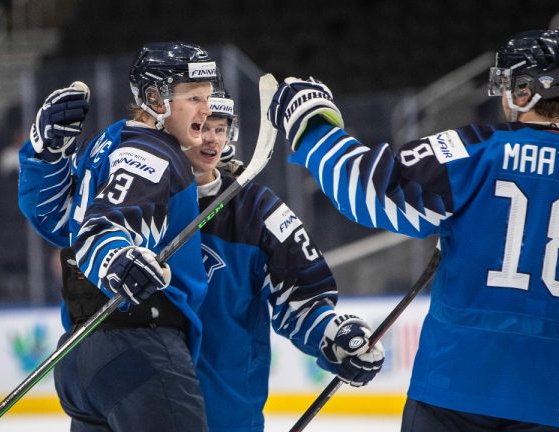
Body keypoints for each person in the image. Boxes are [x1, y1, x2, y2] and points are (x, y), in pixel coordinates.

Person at [266, 29, 559, 431]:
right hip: (558, 397)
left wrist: (312, 127)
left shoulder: (477, 152)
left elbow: (369, 189)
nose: (502, 94)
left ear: (524, 92)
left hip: (456, 387)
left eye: (509, 84)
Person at [19, 85, 386, 430]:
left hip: (227, 413)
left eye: (220, 128)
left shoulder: (257, 211)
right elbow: (68, 222)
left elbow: (304, 300)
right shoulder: (134, 189)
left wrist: (335, 334)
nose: (210, 137)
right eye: (202, 126)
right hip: (135, 397)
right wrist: (47, 157)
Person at [18, 42, 218, 431]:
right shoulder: (154, 153)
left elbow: (59, 224)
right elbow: (106, 228)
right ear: (154, 98)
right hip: (140, 351)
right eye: (194, 97)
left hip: (82, 355)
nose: (207, 109)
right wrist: (113, 256)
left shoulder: (107, 142)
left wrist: (45, 159)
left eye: (209, 97)